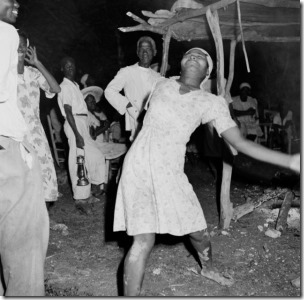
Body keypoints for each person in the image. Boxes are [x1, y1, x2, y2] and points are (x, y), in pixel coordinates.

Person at [113, 48, 300, 296]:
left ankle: (208, 267)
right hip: (137, 166)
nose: (193, 57)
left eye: (201, 57)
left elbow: (240, 143)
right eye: (189, 54)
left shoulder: (212, 102)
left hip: (170, 170)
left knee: (198, 231)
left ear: (207, 71)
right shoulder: (160, 84)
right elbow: (142, 124)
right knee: (142, 241)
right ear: (179, 63)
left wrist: (290, 160)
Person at [0, 0, 49, 296]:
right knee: (24, 233)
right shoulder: (5, 32)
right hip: (7, 139)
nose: (16, 2)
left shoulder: (30, 73)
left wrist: (36, 62)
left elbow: (52, 89)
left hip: (25, 134)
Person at [16, 30, 61, 203]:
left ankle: (39, 218)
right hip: (15, 134)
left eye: (23, 44)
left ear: (27, 47)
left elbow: (56, 89)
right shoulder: (4, 73)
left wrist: (38, 63)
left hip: (36, 133)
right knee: (21, 177)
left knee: (43, 174)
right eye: (16, 43)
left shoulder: (33, 73)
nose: (19, 47)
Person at [57, 57, 106, 209]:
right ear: (62, 69)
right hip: (74, 123)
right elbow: (68, 111)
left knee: (95, 155)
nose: (70, 68)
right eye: (66, 66)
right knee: (78, 160)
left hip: (82, 122)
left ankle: (92, 189)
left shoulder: (75, 85)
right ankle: (80, 198)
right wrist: (77, 134)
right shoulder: (64, 86)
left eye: (72, 65)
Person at [105, 36, 161, 142]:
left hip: (155, 124)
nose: (145, 52)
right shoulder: (127, 71)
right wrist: (128, 105)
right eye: (142, 49)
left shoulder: (158, 77)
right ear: (137, 52)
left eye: (148, 49)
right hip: (137, 123)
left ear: (154, 52)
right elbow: (109, 91)